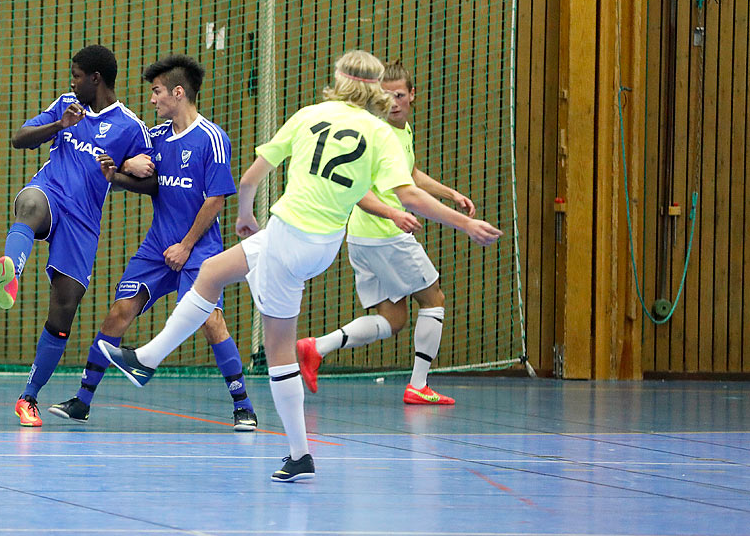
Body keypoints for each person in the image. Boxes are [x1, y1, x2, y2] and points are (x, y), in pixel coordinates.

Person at [101, 51, 502, 481]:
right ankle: (156, 364)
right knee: (221, 281)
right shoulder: (381, 132)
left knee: (266, 334)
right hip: (321, 244)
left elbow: (252, 176)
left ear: (339, 80)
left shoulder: (311, 115)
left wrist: (244, 216)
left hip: (288, 233)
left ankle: (158, 366)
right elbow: (409, 195)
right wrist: (464, 222)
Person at [49, 54, 256, 431]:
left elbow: (215, 200)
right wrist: (120, 170)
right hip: (156, 247)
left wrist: (187, 246)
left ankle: (243, 405)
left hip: (199, 249)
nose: (152, 99)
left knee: (211, 321)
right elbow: (139, 172)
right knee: (119, 311)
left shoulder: (212, 138)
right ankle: (83, 400)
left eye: (157, 92)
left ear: (178, 93)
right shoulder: (157, 137)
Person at [0, 45, 153, 426]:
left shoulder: (131, 126)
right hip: (51, 191)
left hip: (83, 221)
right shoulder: (67, 104)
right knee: (29, 205)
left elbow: (152, 184)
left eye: (78, 75)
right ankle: (10, 271)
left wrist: (120, 173)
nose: (72, 81)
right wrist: (58, 125)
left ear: (96, 79)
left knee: (63, 312)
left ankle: (28, 398)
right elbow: (20, 138)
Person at [299, 61, 477, 404]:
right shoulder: (381, 135)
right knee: (433, 298)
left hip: (361, 238)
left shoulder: (401, 131)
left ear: (413, 95)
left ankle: (317, 347)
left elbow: (410, 174)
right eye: (386, 95)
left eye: (399, 95)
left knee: (393, 319)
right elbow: (402, 192)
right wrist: (459, 222)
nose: (393, 102)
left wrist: (450, 194)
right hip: (384, 233)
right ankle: (418, 386)